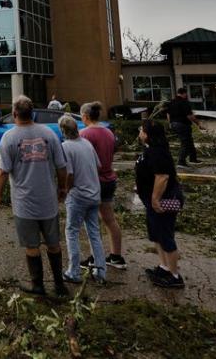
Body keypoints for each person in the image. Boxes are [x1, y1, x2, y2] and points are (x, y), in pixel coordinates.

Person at [0, 95, 69, 296]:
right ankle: (59, 285)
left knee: (31, 245)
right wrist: (63, 188)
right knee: (53, 244)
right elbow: (62, 167)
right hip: (48, 201)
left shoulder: (9, 138)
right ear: (33, 113)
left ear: (15, 113)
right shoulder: (49, 134)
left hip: (24, 203)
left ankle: (38, 285)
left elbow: (2, 171)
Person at [135, 119, 184, 288]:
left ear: (148, 135)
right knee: (156, 235)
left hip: (163, 200)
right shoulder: (150, 150)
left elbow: (162, 177)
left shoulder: (158, 152)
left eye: (141, 130)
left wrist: (155, 198)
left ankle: (175, 275)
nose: (140, 132)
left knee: (165, 236)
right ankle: (164, 267)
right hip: (151, 201)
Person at [58, 114, 106, 284]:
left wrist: (64, 191)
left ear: (62, 130)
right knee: (94, 233)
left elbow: (69, 174)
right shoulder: (87, 143)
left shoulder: (65, 147)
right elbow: (99, 166)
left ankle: (74, 271)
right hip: (94, 194)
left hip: (78, 196)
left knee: (71, 232)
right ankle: (100, 271)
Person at [79, 101, 126, 269]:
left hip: (93, 181)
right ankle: (116, 256)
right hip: (109, 179)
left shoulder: (85, 134)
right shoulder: (108, 132)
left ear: (85, 116)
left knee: (92, 221)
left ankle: (94, 258)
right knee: (109, 219)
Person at [166, 88, 204, 166]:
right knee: (185, 143)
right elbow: (189, 116)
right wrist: (198, 124)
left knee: (189, 141)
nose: (186, 95)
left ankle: (193, 158)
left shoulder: (171, 101)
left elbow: (168, 114)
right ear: (184, 93)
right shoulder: (184, 102)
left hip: (174, 124)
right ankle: (181, 161)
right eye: (186, 94)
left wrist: (170, 123)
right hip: (182, 124)